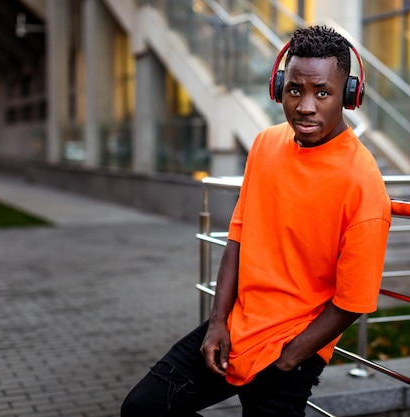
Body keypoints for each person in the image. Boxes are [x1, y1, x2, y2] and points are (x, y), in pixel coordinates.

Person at [120, 25, 391, 417]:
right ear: (279, 87)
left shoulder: (362, 182)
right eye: (295, 90)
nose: (306, 106)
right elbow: (239, 236)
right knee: (142, 409)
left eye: (323, 92)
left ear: (349, 95)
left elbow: (353, 302)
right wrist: (217, 323)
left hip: (294, 347)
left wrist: (286, 359)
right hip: (235, 326)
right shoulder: (265, 145)